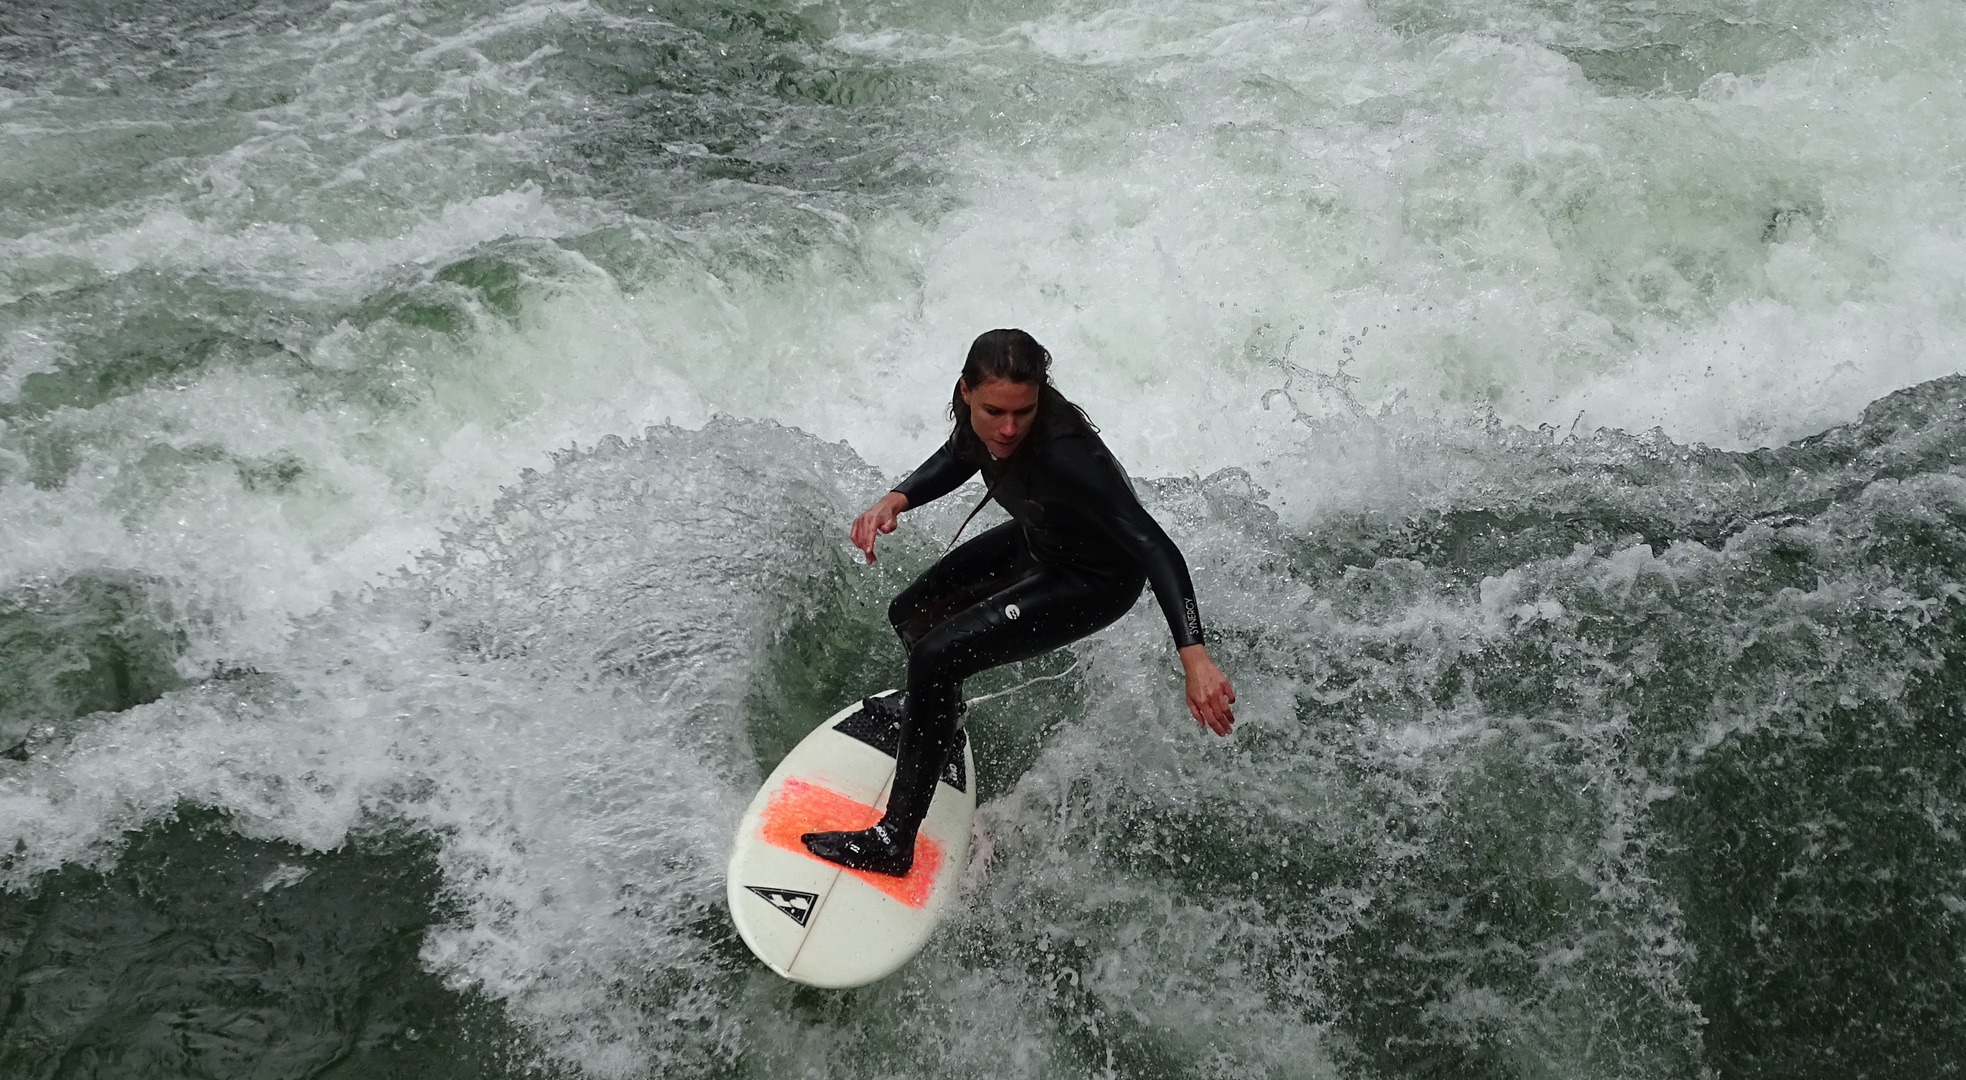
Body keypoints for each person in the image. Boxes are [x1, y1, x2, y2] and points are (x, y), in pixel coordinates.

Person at [801, 328, 1237, 876]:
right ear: (965, 392)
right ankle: (941, 715)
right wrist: (897, 498)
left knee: (936, 656)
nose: (1007, 428)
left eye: (1023, 413)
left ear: (1040, 397)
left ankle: (894, 841)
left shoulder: (1068, 454)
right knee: (911, 614)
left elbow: (1154, 544)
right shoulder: (983, 421)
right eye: (994, 412)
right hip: (1041, 539)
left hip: (1091, 581)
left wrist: (1193, 656)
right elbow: (961, 452)